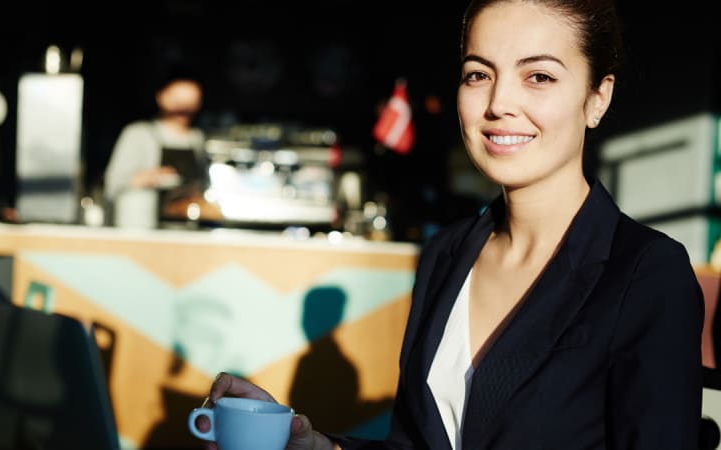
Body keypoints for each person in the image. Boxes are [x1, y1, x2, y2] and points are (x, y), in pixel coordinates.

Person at [197, 0, 705, 448]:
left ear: (598, 97)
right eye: (478, 74)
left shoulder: (645, 273)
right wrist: (313, 445)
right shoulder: (446, 254)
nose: (499, 103)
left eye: (540, 76)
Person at [103, 71, 206, 225]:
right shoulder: (138, 133)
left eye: (190, 101)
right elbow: (112, 184)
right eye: (178, 100)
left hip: (185, 228)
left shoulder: (197, 138)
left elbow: (203, 185)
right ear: (161, 97)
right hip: (142, 226)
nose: (184, 107)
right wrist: (150, 178)